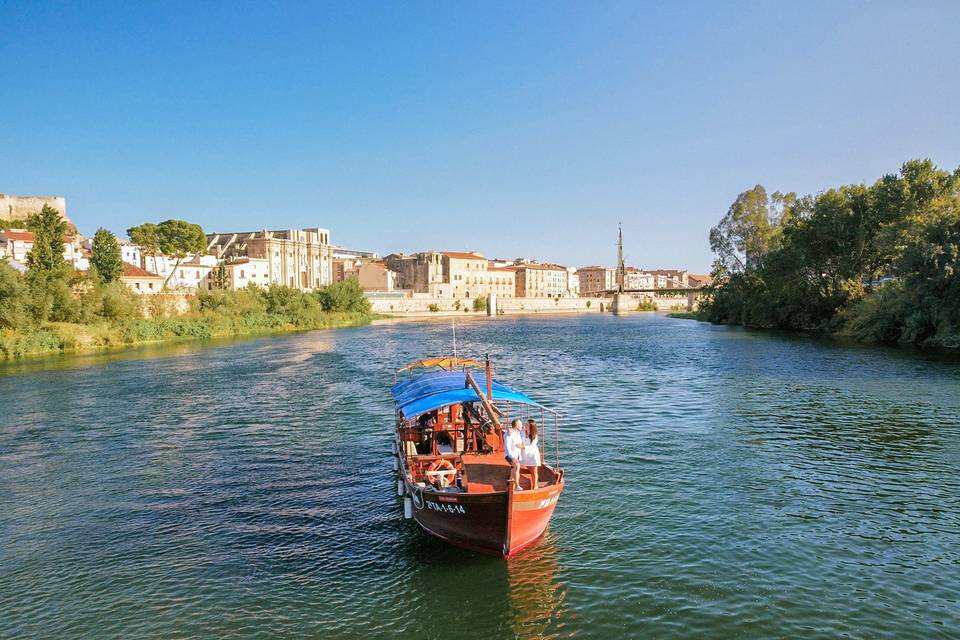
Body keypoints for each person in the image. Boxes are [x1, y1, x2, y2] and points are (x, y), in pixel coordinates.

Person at [504, 419, 524, 491]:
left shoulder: (518, 433)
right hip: (509, 455)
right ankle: (517, 486)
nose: (522, 425)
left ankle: (509, 485)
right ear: (516, 426)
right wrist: (512, 457)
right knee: (517, 466)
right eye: (521, 424)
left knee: (513, 468)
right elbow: (507, 446)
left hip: (517, 455)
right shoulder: (510, 433)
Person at [521, 419, 541, 489]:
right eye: (526, 424)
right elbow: (515, 429)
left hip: (533, 453)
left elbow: (532, 446)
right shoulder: (522, 431)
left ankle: (535, 486)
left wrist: (522, 446)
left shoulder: (534, 435)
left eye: (527, 425)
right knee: (530, 469)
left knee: (535, 470)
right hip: (525, 453)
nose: (525, 426)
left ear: (531, 427)